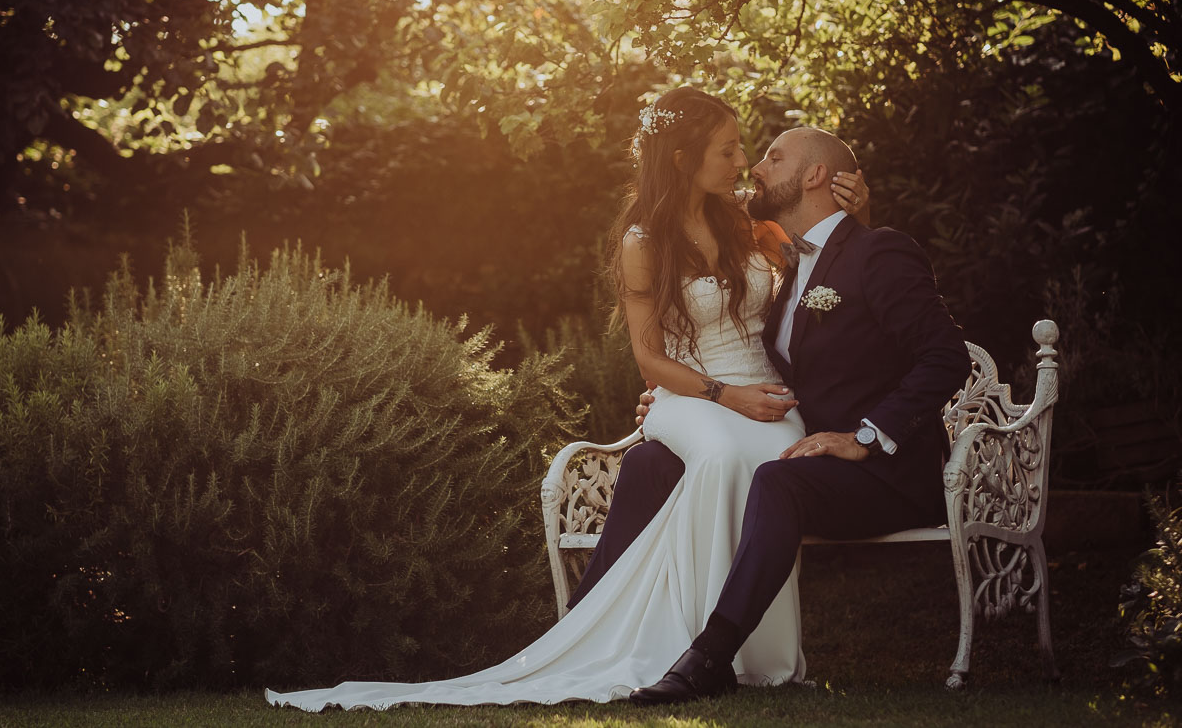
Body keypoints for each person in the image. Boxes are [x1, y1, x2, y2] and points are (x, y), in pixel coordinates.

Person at [264, 87, 868, 711]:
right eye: (728, 150)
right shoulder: (642, 242)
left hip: (764, 394)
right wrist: (726, 395)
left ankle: (751, 655)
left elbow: (830, 261)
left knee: (775, 460)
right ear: (682, 158)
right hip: (691, 393)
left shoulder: (747, 220)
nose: (742, 162)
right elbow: (650, 361)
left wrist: (856, 211)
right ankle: (700, 651)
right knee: (718, 455)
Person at [626, 125, 972, 705]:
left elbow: (945, 357)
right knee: (662, 464)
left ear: (813, 175)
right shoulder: (790, 267)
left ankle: (710, 657)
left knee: (776, 481)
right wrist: (674, 400)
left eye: (773, 157)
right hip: (813, 460)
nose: (755, 167)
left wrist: (865, 436)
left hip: (889, 476)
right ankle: (635, 632)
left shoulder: (879, 251)